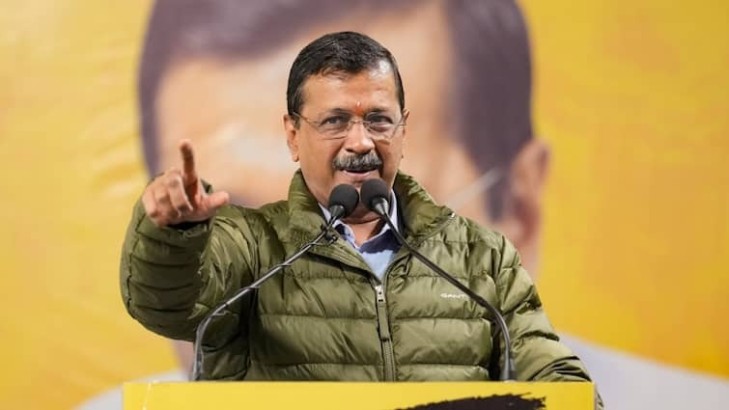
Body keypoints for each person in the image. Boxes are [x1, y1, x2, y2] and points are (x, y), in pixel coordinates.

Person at [120, 31, 602, 408]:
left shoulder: (481, 255)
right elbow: (167, 302)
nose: (360, 142)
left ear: (402, 128)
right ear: (293, 134)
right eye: (334, 121)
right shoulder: (251, 247)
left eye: (378, 120)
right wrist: (176, 234)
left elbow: (549, 373)